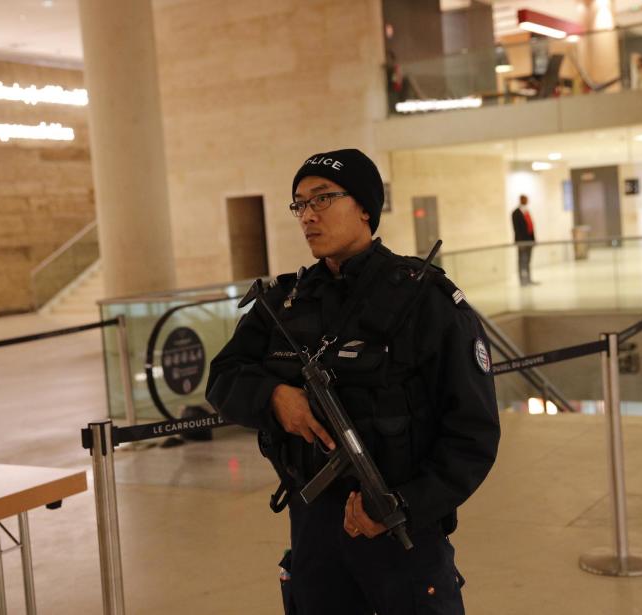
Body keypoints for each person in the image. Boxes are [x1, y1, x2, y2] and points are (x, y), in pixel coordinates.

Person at [206, 148, 500, 615]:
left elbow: (473, 434)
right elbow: (222, 379)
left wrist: (400, 505)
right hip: (314, 531)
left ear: (364, 207)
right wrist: (274, 397)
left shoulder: (426, 302)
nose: (308, 216)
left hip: (402, 529)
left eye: (322, 199)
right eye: (300, 204)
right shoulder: (285, 301)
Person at [511, 194, 537, 286]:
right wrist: (521, 241)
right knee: (522, 260)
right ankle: (522, 280)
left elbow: (531, 227)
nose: (526, 201)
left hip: (529, 241)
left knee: (528, 261)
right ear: (521, 200)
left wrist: (533, 240)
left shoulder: (527, 212)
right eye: (525, 199)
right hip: (522, 241)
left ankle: (528, 279)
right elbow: (517, 229)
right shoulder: (516, 213)